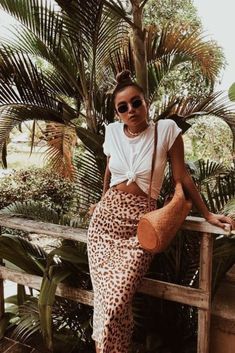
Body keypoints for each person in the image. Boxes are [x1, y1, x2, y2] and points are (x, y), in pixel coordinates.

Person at [87, 70, 234, 353]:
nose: (131, 110)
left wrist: (207, 215)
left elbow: (183, 177)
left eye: (136, 102)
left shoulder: (165, 131)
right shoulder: (113, 132)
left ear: (147, 103)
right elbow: (109, 170)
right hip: (104, 225)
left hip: (142, 225)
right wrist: (101, 198)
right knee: (107, 302)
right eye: (123, 107)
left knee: (118, 299)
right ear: (118, 114)